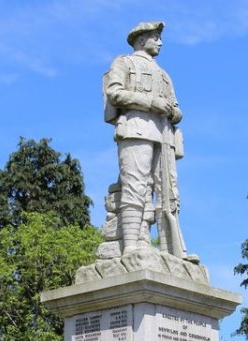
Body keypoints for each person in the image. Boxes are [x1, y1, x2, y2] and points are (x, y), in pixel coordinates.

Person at [104, 21, 195, 261]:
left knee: (168, 192)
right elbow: (114, 93)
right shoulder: (123, 63)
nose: (160, 42)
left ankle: (172, 250)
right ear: (141, 39)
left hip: (164, 135)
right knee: (135, 185)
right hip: (136, 128)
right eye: (156, 37)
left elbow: (177, 108)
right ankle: (132, 245)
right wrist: (150, 103)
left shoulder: (164, 75)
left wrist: (173, 112)